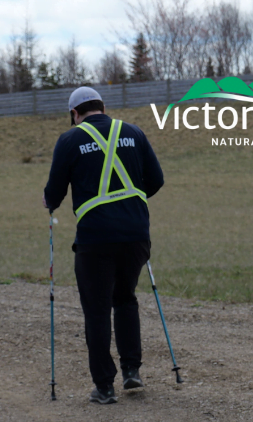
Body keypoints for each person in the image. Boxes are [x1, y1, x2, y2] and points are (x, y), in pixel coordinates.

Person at [43, 86, 164, 404]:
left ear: (74, 114)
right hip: (136, 234)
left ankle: (104, 386)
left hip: (95, 239)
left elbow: (54, 194)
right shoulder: (133, 132)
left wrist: (48, 201)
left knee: (96, 311)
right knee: (125, 299)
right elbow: (156, 180)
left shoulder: (69, 140)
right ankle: (131, 370)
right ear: (103, 107)